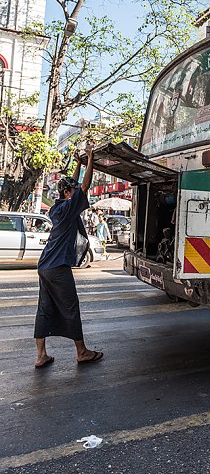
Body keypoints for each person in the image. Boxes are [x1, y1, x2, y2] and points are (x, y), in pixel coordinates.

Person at [34, 147, 104, 368]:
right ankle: (82, 352)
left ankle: (41, 355)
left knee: (44, 308)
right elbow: (83, 186)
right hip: (58, 267)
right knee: (70, 306)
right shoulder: (69, 207)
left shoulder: (57, 207)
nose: (76, 194)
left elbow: (72, 185)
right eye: (71, 192)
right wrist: (91, 159)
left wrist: (79, 164)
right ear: (67, 194)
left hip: (45, 266)